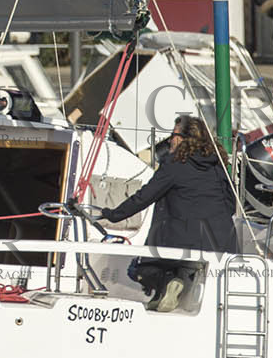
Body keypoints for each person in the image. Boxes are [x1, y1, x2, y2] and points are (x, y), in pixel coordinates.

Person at [95, 115, 240, 312]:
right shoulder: (218, 165)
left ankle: (167, 282)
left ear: (183, 138)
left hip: (184, 243)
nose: (170, 140)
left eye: (173, 135)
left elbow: (144, 197)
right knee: (176, 254)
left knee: (140, 268)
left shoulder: (175, 164)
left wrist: (112, 214)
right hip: (223, 244)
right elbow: (231, 205)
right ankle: (165, 292)